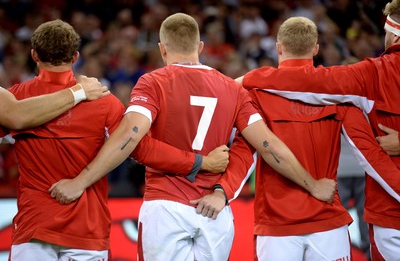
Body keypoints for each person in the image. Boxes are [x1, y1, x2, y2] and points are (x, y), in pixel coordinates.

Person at [49, 13, 336, 261]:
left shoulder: (153, 81)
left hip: (166, 206)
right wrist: (311, 184)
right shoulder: (233, 89)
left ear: (162, 49)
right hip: (214, 211)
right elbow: (268, 145)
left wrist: (80, 182)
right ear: (199, 46)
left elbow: (130, 136)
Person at [6, 18, 229, 261]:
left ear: (34, 55)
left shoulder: (16, 102)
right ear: (75, 57)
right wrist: (198, 162)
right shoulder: (103, 102)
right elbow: (140, 148)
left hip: (34, 227)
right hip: (88, 232)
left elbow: (17, 116)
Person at [195, 16, 400, 260]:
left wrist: (223, 191)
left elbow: (244, 153)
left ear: (278, 47)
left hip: (277, 226)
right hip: (328, 223)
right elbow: (372, 156)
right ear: (315, 49)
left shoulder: (256, 96)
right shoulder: (340, 99)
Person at [0, 75, 109, 131]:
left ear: (34, 55)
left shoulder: (18, 92)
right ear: (75, 57)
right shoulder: (105, 100)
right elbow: (16, 116)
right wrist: (79, 91)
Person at [337, 134, 370, 258]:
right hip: (365, 165)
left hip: (339, 166)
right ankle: (370, 253)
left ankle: (337, 253)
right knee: (366, 214)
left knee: (337, 216)